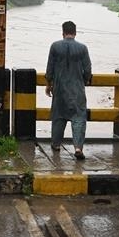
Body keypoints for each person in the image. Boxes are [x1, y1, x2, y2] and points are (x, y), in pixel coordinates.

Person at [45, 21, 92, 160]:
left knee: (58, 116)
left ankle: (56, 144)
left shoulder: (55, 46)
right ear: (75, 33)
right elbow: (88, 70)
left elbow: (49, 69)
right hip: (77, 89)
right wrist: (83, 81)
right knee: (79, 118)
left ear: (63, 32)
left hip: (59, 89)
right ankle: (78, 147)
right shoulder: (82, 48)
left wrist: (49, 84)